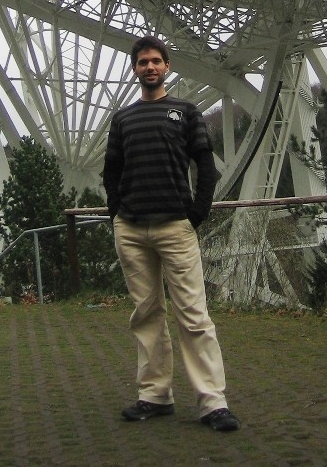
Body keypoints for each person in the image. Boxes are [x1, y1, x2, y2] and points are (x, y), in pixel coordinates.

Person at [102, 35, 240, 432]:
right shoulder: (123, 118)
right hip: (131, 226)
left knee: (193, 316)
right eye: (143, 62)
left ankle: (213, 402)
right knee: (145, 314)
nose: (150, 67)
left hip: (175, 226)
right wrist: (117, 213)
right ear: (136, 69)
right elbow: (111, 170)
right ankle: (154, 396)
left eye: (156, 61)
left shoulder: (186, 111)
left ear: (167, 67)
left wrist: (197, 212)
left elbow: (205, 164)